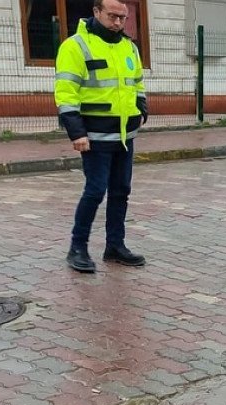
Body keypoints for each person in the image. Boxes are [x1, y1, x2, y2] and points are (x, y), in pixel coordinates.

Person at [54, 0, 148, 273]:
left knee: (121, 191)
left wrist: (142, 106)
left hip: (124, 136)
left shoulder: (129, 47)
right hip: (94, 136)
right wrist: (76, 132)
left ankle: (115, 246)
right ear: (96, 12)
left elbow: (137, 81)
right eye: (112, 16)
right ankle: (78, 247)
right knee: (95, 191)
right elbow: (66, 92)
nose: (118, 23)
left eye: (123, 17)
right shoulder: (75, 46)